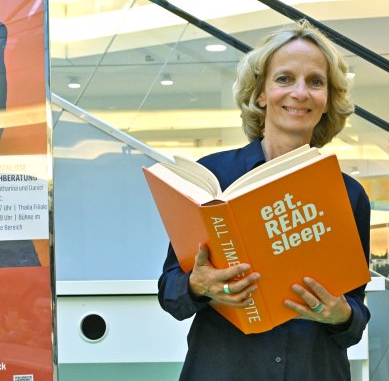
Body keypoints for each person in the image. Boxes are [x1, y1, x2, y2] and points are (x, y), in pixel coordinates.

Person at [158, 19, 371, 380]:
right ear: (260, 94)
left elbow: (355, 315)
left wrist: (341, 314)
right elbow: (169, 293)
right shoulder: (212, 179)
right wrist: (199, 285)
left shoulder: (349, 194)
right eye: (284, 79)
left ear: (328, 100)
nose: (300, 93)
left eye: (315, 82)